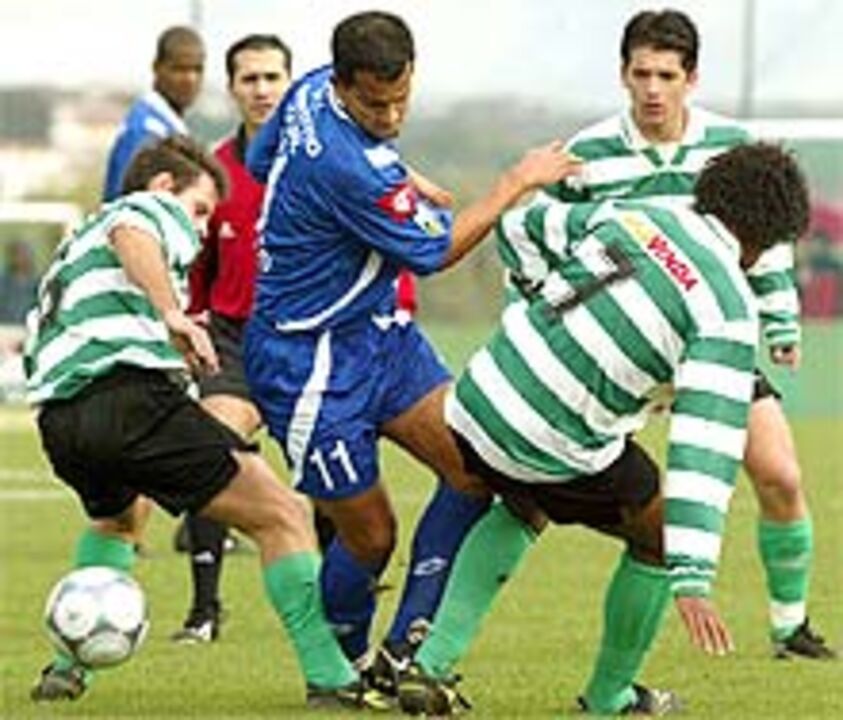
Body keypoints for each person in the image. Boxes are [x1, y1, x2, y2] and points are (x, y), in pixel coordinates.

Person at [395, 141, 811, 716]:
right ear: (769, 242)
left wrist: (543, 310)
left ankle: (430, 668)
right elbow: (705, 445)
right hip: (550, 434)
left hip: (480, 398)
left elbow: (521, 229)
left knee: (525, 502)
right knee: (657, 534)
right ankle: (610, 696)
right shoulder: (729, 309)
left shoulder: (639, 215)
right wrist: (691, 571)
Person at [243, 9, 580, 680]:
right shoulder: (347, 167)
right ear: (342, 86)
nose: (391, 114)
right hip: (306, 362)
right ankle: (339, 665)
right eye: (374, 105)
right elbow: (433, 253)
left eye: (401, 99)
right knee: (371, 534)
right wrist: (515, 182)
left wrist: (396, 175)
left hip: (379, 338)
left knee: (474, 471)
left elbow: (259, 159)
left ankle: (402, 654)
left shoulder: (309, 88)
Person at [24, 136, 388, 711]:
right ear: (165, 186)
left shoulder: (75, 245)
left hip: (61, 423)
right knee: (283, 514)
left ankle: (66, 671)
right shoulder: (142, 208)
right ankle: (333, 678)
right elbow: (137, 234)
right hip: (127, 400)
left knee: (120, 521)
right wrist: (172, 313)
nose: (197, 231)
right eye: (198, 211)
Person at [536, 8, 834, 661]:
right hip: (624, 349)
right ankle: (436, 649)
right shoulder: (583, 156)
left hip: (708, 343)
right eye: (639, 73)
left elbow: (769, 240)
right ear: (622, 73)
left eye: (665, 75)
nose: (650, 89)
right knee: (527, 498)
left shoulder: (730, 143)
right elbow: (545, 237)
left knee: (780, 475)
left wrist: (779, 319)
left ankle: (790, 627)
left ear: (690, 78)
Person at [169, 33, 293, 645]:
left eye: (273, 77)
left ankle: (339, 605)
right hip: (234, 339)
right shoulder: (212, 173)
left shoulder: (317, 162)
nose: (262, 89)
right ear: (232, 88)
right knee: (212, 447)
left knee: (334, 480)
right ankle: (205, 612)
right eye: (250, 79)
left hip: (306, 341)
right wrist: (189, 324)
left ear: (289, 84)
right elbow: (197, 271)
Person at [102, 26, 204, 201]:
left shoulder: (169, 127)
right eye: (180, 69)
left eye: (197, 69)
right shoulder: (144, 132)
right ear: (157, 67)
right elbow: (129, 210)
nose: (190, 79)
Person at [0, 240, 39, 324]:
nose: (21, 258)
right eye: (18, 254)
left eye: (25, 254)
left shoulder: (38, 283)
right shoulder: (3, 281)